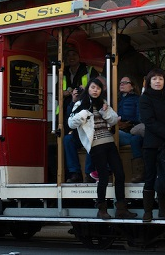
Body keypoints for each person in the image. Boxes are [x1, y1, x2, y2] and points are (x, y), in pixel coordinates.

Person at [67, 78, 136, 219]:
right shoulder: (81, 103)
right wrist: (83, 114)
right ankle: (102, 208)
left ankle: (121, 208)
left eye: (98, 88)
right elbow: (70, 123)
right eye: (93, 87)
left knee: (120, 173)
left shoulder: (103, 103)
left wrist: (105, 112)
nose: (95, 90)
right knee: (103, 176)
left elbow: (114, 119)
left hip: (109, 141)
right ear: (88, 89)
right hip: (95, 143)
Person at [139, 68, 165, 222]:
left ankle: (163, 211)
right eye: (155, 79)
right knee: (150, 176)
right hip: (152, 144)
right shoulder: (145, 98)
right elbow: (149, 121)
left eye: (161, 79)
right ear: (149, 82)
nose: (158, 82)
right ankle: (148, 212)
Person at [61, 46, 100, 183]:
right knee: (67, 140)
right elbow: (55, 91)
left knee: (92, 136)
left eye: (74, 54)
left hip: (91, 124)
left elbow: (99, 84)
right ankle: (74, 173)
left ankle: (89, 173)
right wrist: (67, 94)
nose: (71, 57)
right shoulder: (62, 72)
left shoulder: (89, 70)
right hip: (70, 110)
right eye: (68, 55)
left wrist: (87, 90)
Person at [117, 76, 144, 182]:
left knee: (135, 139)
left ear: (132, 86)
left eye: (125, 82)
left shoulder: (138, 99)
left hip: (131, 131)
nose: (122, 84)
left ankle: (139, 172)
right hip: (119, 131)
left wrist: (124, 120)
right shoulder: (117, 99)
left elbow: (139, 118)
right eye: (120, 83)